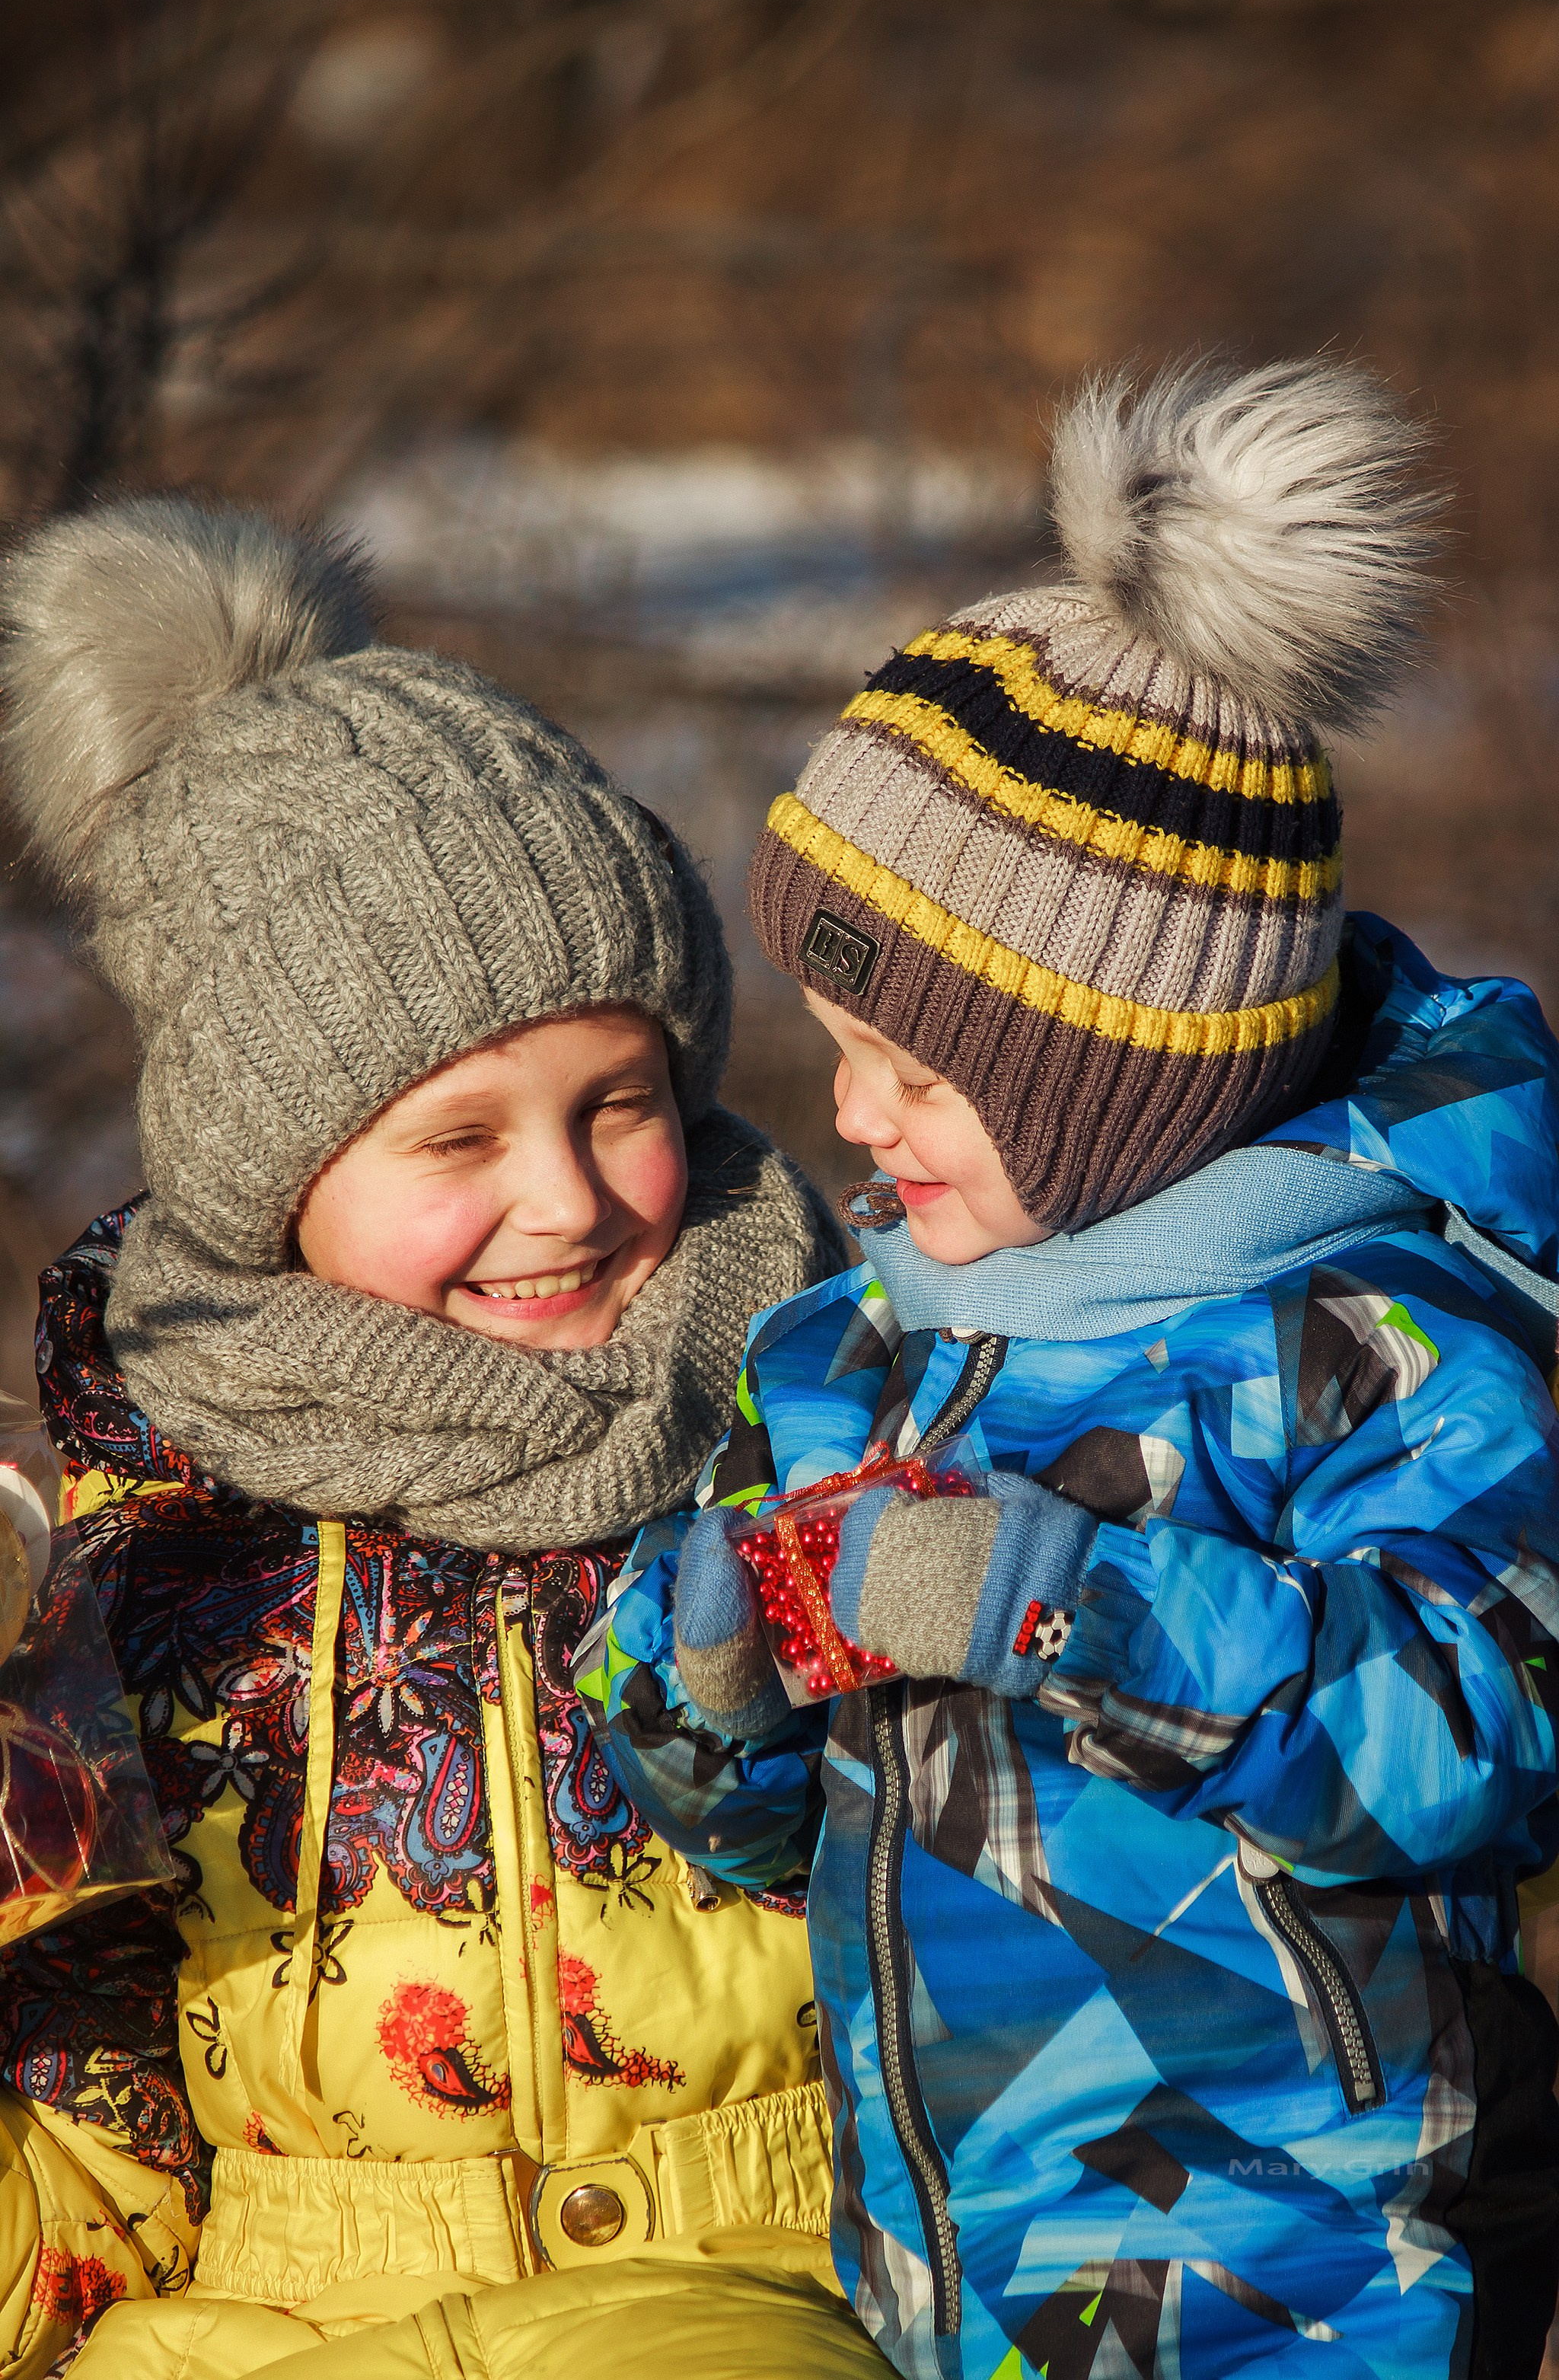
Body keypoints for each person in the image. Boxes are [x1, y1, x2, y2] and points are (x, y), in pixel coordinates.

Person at [582, 359, 1559, 2380]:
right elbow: (766, 1844)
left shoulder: (1360, 1340)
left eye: (916, 1073)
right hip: (955, 2281)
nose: (851, 1117)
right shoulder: (850, 1353)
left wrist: (1075, 1609)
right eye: (839, 1047)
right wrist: (704, 1690)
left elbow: (1491, 1732)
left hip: (1308, 2278)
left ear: (1127, 1090)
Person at [0, 497, 893, 2380]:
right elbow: (95, 2173)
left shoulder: (828, 1430)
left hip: (747, 2280)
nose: (564, 1200)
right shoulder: (137, 1549)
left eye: (619, 1101)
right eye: (459, 1138)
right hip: (251, 2320)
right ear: (267, 1176)